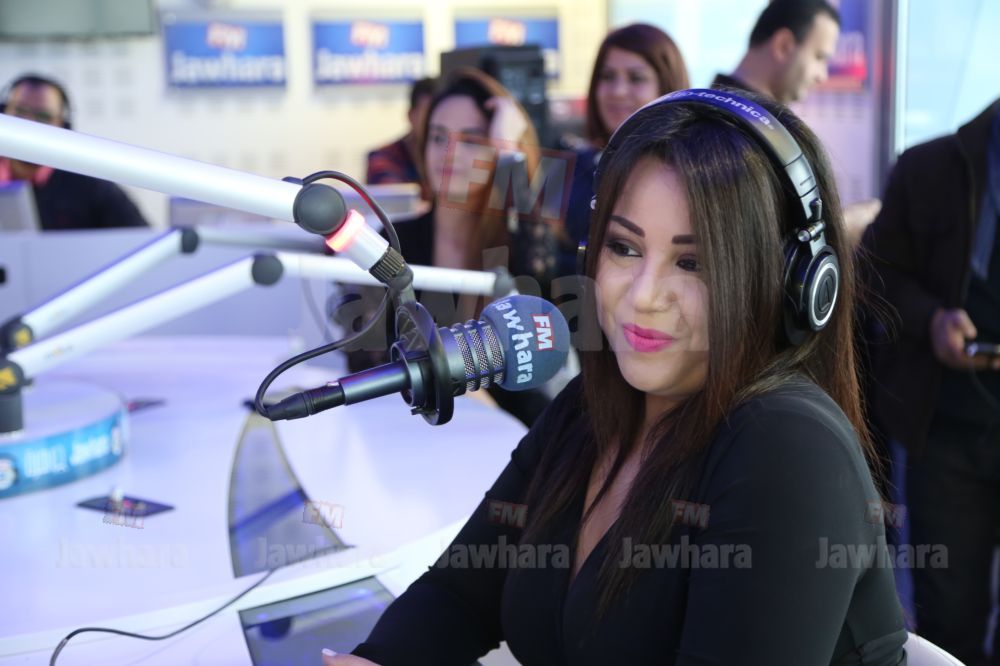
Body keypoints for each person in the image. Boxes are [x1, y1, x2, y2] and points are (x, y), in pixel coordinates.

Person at [323, 89, 907, 664]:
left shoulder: (791, 450)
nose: (643, 296)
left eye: (693, 263)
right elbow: (460, 595)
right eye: (625, 248)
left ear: (790, 282)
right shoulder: (592, 407)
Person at [338, 67, 558, 427]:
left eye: (471, 141)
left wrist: (510, 155)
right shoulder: (395, 241)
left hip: (509, 438)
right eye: (438, 137)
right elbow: (364, 360)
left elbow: (542, 277)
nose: (449, 153)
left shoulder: (518, 244)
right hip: (410, 436)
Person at [861, 97, 1000, 665]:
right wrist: (932, 320)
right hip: (944, 430)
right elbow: (874, 271)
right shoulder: (929, 166)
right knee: (948, 619)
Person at [712, 0, 879, 247]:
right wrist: (845, 227)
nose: (822, 75)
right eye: (819, 57)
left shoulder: (716, 114)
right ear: (784, 46)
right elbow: (754, 244)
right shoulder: (737, 131)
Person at [560, 23, 689, 277]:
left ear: (667, 85)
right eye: (607, 77)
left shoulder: (691, 177)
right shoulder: (569, 167)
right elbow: (530, 258)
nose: (618, 91)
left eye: (636, 78)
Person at [0, 73, 148, 230]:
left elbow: (146, 237)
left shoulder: (92, 186)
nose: (29, 124)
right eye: (20, 111)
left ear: (63, 128)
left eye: (43, 117)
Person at [365, 77, 437, 186]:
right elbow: (393, 193)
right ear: (411, 116)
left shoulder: (453, 157)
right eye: (429, 114)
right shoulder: (383, 158)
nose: (436, 123)